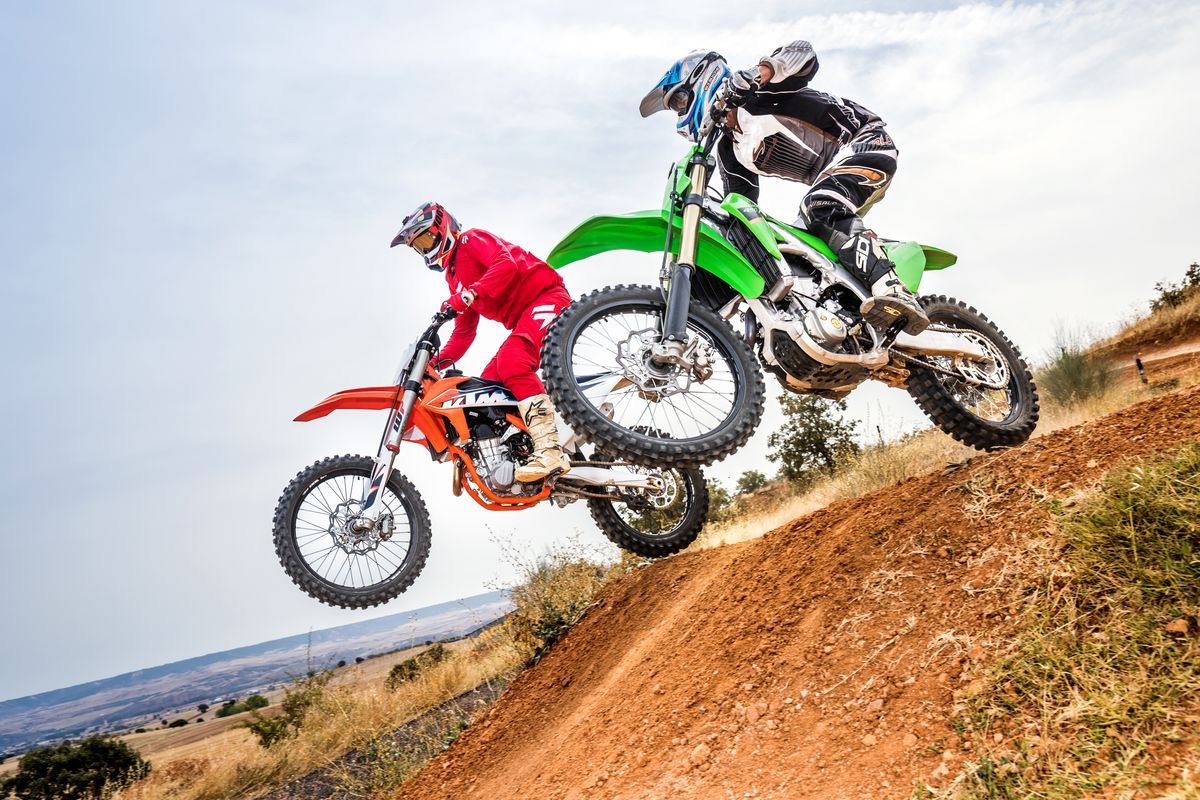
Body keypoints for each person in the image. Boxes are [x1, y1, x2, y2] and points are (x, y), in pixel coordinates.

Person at [638, 44, 929, 335]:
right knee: (800, 253)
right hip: (832, 179)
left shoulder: (762, 90)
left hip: (867, 142)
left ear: (704, 79)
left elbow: (804, 54)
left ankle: (893, 288)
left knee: (819, 206)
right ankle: (849, 324)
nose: (680, 112)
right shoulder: (730, 150)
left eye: (679, 101)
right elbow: (741, 206)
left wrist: (758, 74)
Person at [390, 202, 572, 482]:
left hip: (546, 297)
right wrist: (433, 364)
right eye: (419, 247)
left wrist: (470, 294)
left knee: (513, 361)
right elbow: (464, 334)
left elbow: (506, 264)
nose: (426, 250)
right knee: (486, 387)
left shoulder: (470, 240)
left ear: (442, 227)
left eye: (426, 239)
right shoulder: (453, 278)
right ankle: (520, 452)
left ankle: (550, 450)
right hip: (524, 320)